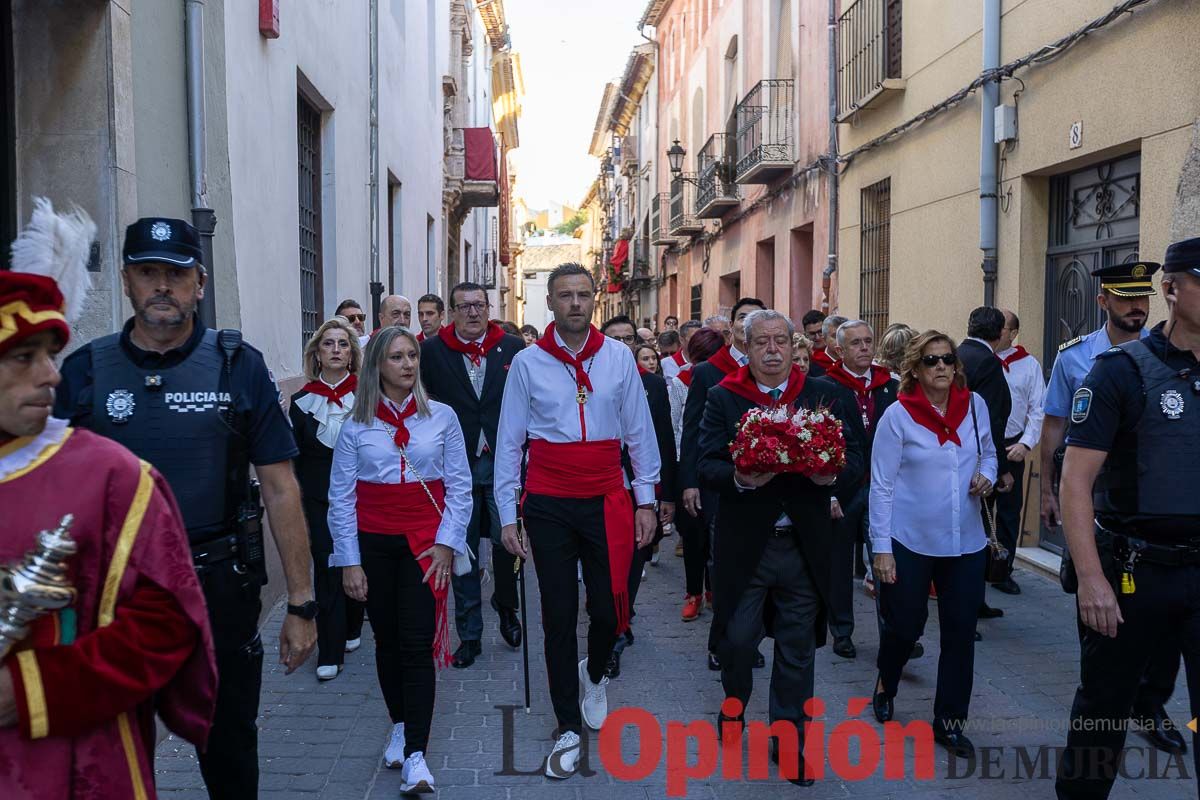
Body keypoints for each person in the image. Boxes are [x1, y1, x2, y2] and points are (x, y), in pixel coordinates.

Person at [54, 216, 317, 798]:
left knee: (228, 749)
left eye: (177, 274)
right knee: (113, 751)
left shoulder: (237, 365)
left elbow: (280, 487)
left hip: (216, 589)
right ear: (126, 281)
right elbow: (45, 489)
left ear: (200, 283)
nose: (163, 287)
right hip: (114, 597)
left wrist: (301, 603)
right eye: (149, 273)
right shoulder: (85, 373)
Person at [0, 202, 217, 800]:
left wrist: (31, 690)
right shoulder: (95, 365)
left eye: (50, 355)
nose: (51, 376)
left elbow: (168, 622)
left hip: (80, 765)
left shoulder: (110, 476)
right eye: (24, 358)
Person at [496, 263, 660, 779]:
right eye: (564, 295)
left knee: (611, 609)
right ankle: (567, 724)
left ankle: (596, 673)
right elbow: (508, 443)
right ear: (549, 302)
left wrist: (647, 500)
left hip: (609, 497)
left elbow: (640, 432)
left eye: (582, 295)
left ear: (596, 301)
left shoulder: (618, 359)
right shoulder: (526, 363)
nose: (574, 303)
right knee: (558, 612)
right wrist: (507, 514)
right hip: (548, 501)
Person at [1054, 239, 1200, 799]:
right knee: (1103, 709)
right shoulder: (1118, 372)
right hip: (1133, 573)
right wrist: (1091, 579)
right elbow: (1075, 481)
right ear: (1172, 289)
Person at [699, 309, 864, 786]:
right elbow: (705, 462)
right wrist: (739, 476)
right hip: (745, 543)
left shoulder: (824, 394)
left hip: (804, 543)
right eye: (761, 342)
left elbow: (855, 456)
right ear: (744, 348)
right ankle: (734, 706)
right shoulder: (723, 397)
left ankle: (788, 740)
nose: (772, 350)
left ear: (794, 347)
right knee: (736, 640)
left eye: (780, 341)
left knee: (798, 647)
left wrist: (829, 476)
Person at [328, 326, 471, 793]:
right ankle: (398, 723)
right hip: (372, 545)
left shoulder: (443, 417)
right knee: (386, 641)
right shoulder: (355, 425)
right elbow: (341, 497)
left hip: (424, 547)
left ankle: (416, 754)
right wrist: (348, 560)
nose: (408, 364)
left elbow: (460, 485)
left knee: (415, 644)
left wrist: (448, 543)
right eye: (396, 357)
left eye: (412, 355)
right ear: (377, 367)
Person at [869, 331, 997, 759]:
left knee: (960, 633)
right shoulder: (897, 416)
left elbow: (989, 455)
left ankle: (949, 723)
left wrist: (988, 476)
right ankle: (888, 678)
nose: (941, 367)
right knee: (905, 626)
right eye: (931, 361)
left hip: (966, 542)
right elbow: (882, 486)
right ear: (915, 369)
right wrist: (881, 549)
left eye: (947, 359)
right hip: (910, 539)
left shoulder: (974, 407)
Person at [419, 282, 524, 669]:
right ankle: (469, 634)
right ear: (451, 311)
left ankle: (507, 606)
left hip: (501, 462)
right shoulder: (432, 352)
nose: (473, 313)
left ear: (488, 307)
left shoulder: (511, 348)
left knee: (505, 541)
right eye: (464, 306)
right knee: (460, 551)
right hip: (455, 465)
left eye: (479, 305)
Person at [681, 297, 766, 671]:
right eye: (744, 319)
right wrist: (688, 483)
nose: (750, 327)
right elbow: (691, 432)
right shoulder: (708, 372)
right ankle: (722, 640)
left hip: (767, 485)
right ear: (731, 328)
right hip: (721, 482)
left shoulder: (772, 369)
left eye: (757, 320)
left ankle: (751, 638)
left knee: (762, 565)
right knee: (726, 565)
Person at [598, 314, 677, 678]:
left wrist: (667, 495)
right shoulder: (589, 380)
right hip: (600, 487)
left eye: (628, 338)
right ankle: (609, 625)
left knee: (634, 558)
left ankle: (621, 615)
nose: (621, 344)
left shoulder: (653, 385)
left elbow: (662, 440)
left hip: (639, 490)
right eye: (613, 338)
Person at [289, 318, 367, 681]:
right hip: (318, 499)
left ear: (352, 355)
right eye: (328, 344)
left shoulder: (368, 398)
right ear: (317, 354)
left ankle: (353, 626)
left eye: (343, 344)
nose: (336, 350)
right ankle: (329, 650)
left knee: (355, 563)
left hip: (362, 498)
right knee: (327, 567)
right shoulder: (301, 403)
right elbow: (297, 459)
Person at [821, 320, 899, 660]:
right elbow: (819, 445)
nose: (865, 348)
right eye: (856, 343)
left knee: (888, 561)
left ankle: (895, 631)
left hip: (883, 490)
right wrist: (829, 492)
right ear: (840, 350)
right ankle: (841, 631)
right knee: (838, 564)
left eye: (869, 341)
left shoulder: (891, 387)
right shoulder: (823, 388)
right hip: (844, 490)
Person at [958, 306, 1014, 624]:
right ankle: (970, 604)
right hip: (980, 464)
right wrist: (1000, 467)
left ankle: (971, 601)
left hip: (957, 457)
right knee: (978, 536)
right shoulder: (988, 363)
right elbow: (990, 420)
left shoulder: (956, 354)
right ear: (998, 333)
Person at [667, 327, 725, 620]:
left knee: (718, 537)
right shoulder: (680, 383)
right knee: (693, 537)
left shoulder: (730, 379)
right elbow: (678, 426)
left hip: (718, 469)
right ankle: (694, 592)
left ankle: (714, 588)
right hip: (688, 466)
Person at [991, 309, 1045, 595]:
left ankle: (1003, 571)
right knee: (978, 512)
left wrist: (1025, 443)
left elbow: (1038, 408)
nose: (995, 333)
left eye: (1001, 329)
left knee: (1010, 514)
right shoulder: (980, 361)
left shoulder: (1029, 365)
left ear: (1012, 334)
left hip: (1013, 445)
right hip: (984, 447)